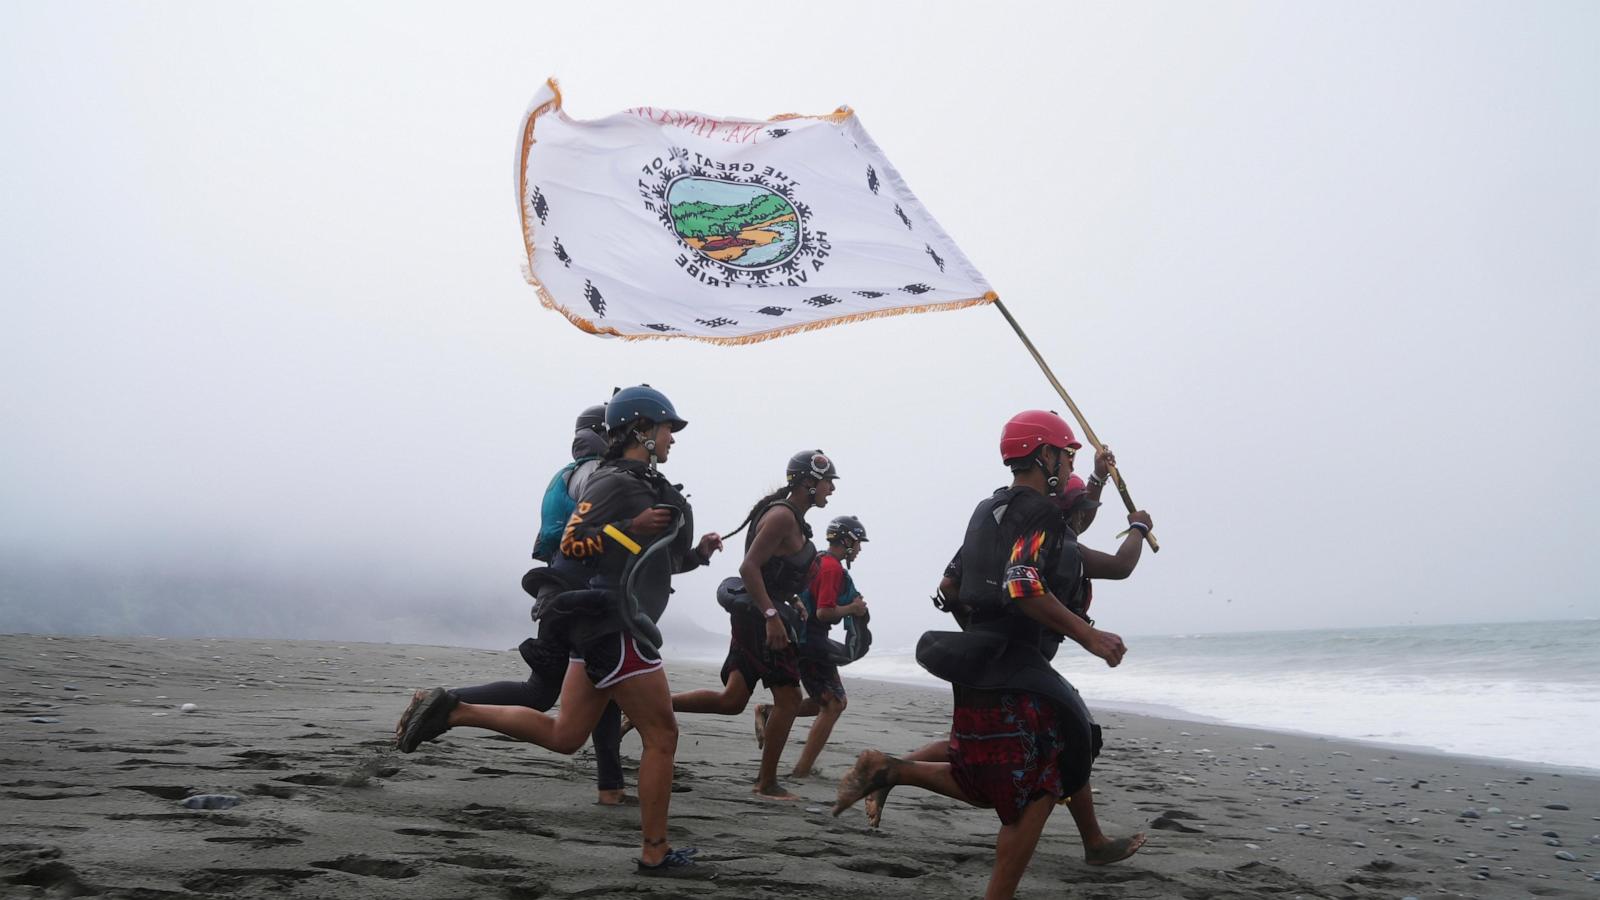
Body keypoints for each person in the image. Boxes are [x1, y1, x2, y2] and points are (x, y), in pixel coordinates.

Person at [395, 385, 724, 879]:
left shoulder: (646, 485)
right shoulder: (613, 483)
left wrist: (697, 554)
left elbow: (660, 563)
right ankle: (655, 853)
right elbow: (572, 544)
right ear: (641, 429)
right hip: (614, 624)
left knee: (566, 734)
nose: (672, 438)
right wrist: (631, 526)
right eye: (666, 429)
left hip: (599, 626)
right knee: (662, 735)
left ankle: (454, 710)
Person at [833, 410, 1150, 900]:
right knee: (1033, 790)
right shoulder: (1042, 515)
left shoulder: (988, 511)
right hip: (1013, 664)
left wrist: (982, 632)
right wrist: (1092, 636)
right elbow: (1023, 584)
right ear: (1045, 454)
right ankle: (990, 882)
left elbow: (949, 584)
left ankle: (891, 770)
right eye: (1066, 455)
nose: (1068, 466)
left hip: (977, 657)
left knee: (1013, 765)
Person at [394, 404, 632, 806]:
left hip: (561, 589)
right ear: (603, 436)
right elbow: (602, 532)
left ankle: (611, 786)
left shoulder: (568, 473)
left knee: (595, 686)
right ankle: (442, 704)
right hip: (578, 593)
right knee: (552, 691)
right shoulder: (595, 474)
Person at [670, 450, 837, 800]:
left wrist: (789, 602)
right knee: (790, 699)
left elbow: (772, 572)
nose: (831, 489)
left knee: (732, 700)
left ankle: (647, 707)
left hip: (755, 615)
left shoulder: (792, 517)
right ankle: (767, 783)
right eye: (827, 482)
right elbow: (749, 567)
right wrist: (772, 616)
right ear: (808, 482)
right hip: (760, 621)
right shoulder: (782, 517)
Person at [769, 514, 870, 778]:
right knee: (834, 703)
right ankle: (802, 770)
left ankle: (769, 713)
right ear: (847, 540)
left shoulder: (820, 560)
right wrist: (853, 608)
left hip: (804, 638)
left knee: (825, 701)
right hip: (809, 640)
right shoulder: (831, 568)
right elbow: (824, 613)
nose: (859, 549)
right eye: (858, 543)